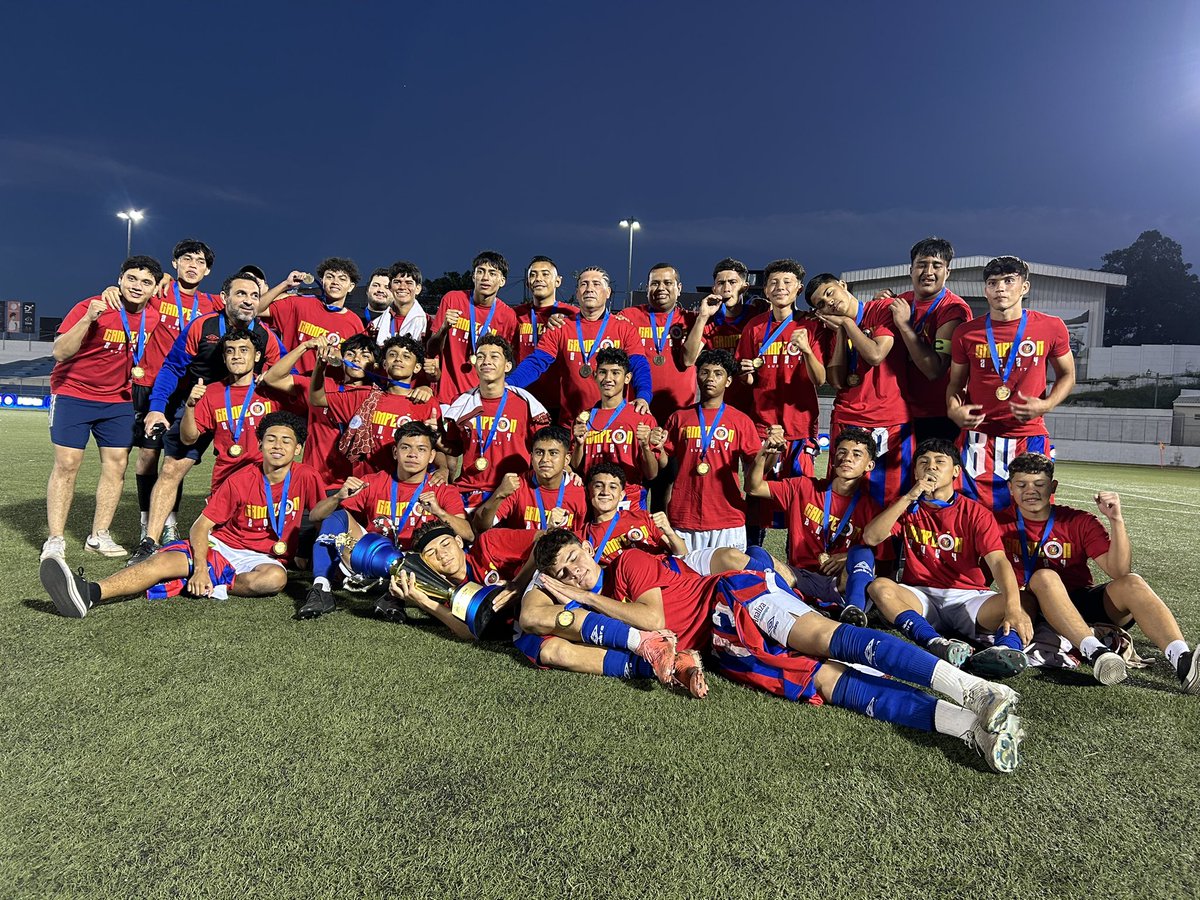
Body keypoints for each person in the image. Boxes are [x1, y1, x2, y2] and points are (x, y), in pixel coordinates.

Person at [524, 529, 1027, 773]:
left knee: (829, 637)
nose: (574, 573)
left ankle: (975, 690)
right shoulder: (597, 609)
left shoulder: (626, 564)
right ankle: (969, 727)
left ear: (588, 547)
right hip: (726, 649)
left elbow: (654, 620)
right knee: (831, 685)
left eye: (574, 559)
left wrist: (586, 597)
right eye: (564, 574)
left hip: (735, 599)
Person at [40, 412, 337, 617]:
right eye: (271, 439)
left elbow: (319, 515)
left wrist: (336, 499)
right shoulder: (241, 478)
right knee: (161, 562)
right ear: (259, 444)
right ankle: (90, 592)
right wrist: (200, 567)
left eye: (286, 441)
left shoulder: (307, 476)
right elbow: (201, 526)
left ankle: (209, 584)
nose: (278, 445)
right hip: (224, 547)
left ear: (298, 448)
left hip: (266, 558)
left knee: (274, 581)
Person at [999, 452, 1200, 691]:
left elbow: (1119, 571)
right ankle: (1097, 654)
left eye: (1039, 484)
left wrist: (1116, 520)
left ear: (1053, 486)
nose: (1030, 491)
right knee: (1045, 575)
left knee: (1132, 582)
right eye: (1022, 485)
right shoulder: (995, 522)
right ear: (1010, 488)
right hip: (1034, 606)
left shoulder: (1078, 520)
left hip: (1081, 601)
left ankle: (1183, 660)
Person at [129, 272, 282, 564]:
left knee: (253, 475)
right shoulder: (203, 326)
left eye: (253, 296)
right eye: (241, 294)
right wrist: (157, 407)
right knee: (172, 468)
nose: (248, 301)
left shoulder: (265, 336)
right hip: (200, 404)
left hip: (243, 410)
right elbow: (172, 367)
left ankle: (248, 540)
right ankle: (149, 541)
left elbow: (283, 368)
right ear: (224, 298)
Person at [863, 439, 1033, 679]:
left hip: (968, 597)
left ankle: (1005, 650)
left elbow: (998, 562)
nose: (931, 467)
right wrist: (909, 497)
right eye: (923, 462)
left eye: (939, 462)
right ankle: (936, 643)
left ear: (955, 472)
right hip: (921, 595)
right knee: (879, 587)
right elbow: (871, 537)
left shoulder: (975, 512)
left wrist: (1013, 607)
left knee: (1024, 600)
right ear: (915, 472)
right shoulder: (907, 507)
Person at [43, 256, 165, 561]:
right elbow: (59, 352)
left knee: (117, 466)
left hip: (118, 399)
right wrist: (88, 319)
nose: (138, 286)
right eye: (132, 279)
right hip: (74, 392)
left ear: (155, 288)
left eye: (146, 282)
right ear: (120, 279)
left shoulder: (155, 315)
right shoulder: (93, 306)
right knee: (68, 464)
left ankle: (99, 536)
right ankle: (56, 538)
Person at [102, 239, 221, 543]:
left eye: (200, 262)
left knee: (174, 460)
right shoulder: (159, 293)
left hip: (189, 391)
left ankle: (169, 523)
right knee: (145, 457)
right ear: (174, 264)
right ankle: (146, 521)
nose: (193, 265)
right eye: (187, 259)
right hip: (151, 385)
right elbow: (132, 297)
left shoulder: (211, 304)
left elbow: (248, 304)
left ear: (207, 270)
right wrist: (111, 291)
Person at [946, 256, 1076, 512]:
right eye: (993, 283)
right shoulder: (966, 332)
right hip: (979, 439)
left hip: (1028, 437)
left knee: (1031, 513)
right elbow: (956, 383)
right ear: (985, 290)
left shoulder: (1051, 327)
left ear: (1024, 287)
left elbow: (1068, 375)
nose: (1000, 288)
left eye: (1008, 281)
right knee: (971, 516)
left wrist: (1047, 404)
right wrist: (953, 409)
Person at [304, 421, 471, 618]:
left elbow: (467, 534)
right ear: (395, 452)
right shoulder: (372, 482)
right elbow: (315, 516)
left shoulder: (443, 490)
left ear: (432, 456)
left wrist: (440, 512)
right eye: (405, 447)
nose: (412, 454)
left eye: (421, 449)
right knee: (336, 515)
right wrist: (338, 497)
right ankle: (321, 589)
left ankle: (393, 597)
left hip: (418, 569)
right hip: (372, 560)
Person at [744, 426, 883, 626]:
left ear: (869, 465)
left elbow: (881, 555)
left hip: (841, 583)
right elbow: (754, 487)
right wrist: (766, 451)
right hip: (799, 576)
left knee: (862, 554)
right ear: (833, 459)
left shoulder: (873, 507)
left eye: (856, 454)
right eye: (842, 452)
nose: (847, 458)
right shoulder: (803, 487)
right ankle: (806, 605)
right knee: (755, 554)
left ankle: (853, 611)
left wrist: (847, 557)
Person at [804, 274, 912, 506]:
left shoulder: (881, 308)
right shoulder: (834, 329)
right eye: (820, 303)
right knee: (843, 497)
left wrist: (847, 324)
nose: (828, 302)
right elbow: (836, 381)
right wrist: (842, 332)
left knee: (890, 499)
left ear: (843, 285)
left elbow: (875, 355)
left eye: (830, 293)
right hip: (848, 418)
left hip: (889, 420)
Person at [509, 267, 652, 423]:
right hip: (569, 423)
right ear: (577, 293)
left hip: (613, 423)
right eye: (584, 284)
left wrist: (643, 396)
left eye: (596, 284)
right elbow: (536, 362)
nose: (589, 289)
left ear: (608, 292)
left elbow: (639, 365)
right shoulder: (561, 326)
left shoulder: (624, 328)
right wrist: (508, 386)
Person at [652, 349, 760, 552]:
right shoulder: (679, 418)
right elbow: (665, 463)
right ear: (697, 375)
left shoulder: (741, 421)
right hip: (684, 515)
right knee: (685, 579)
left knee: (728, 581)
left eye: (718, 374)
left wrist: (770, 453)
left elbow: (755, 466)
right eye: (705, 372)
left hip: (727, 517)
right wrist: (659, 449)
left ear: (728, 381)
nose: (710, 378)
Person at [733, 259, 826, 479]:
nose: (780, 287)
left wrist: (807, 351)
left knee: (798, 496)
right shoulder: (754, 326)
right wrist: (744, 372)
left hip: (800, 426)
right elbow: (749, 381)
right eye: (773, 282)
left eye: (787, 282)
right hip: (762, 425)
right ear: (765, 289)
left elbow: (819, 379)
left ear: (799, 288)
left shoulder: (811, 325)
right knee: (758, 494)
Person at [875, 237, 972, 444]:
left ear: (947, 272)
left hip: (937, 415)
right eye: (921, 265)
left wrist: (904, 325)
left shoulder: (953, 309)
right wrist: (877, 309)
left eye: (937, 265)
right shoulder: (901, 301)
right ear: (911, 270)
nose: (928, 272)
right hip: (896, 412)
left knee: (931, 475)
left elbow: (934, 370)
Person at [441, 334, 551, 512]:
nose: (486, 361)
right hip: (469, 490)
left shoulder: (526, 404)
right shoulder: (462, 402)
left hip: (512, 492)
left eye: (494, 356)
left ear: (507, 366)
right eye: (481, 356)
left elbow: (544, 447)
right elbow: (454, 448)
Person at [179, 327, 297, 488]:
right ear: (223, 357)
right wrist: (190, 406)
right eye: (230, 351)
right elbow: (188, 438)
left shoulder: (272, 389)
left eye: (243, 350)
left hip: (267, 479)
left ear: (257, 356)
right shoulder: (211, 392)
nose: (236, 356)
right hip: (226, 480)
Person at [259, 333, 381, 491]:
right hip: (314, 481)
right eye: (350, 354)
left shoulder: (378, 398)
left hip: (355, 485)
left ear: (376, 365)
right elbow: (273, 378)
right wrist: (305, 346)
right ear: (342, 361)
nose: (356, 359)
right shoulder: (322, 386)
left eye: (365, 356)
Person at [311, 334, 443, 478]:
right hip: (365, 485)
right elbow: (317, 398)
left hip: (404, 488)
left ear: (417, 367)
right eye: (392, 354)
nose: (398, 358)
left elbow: (443, 449)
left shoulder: (426, 402)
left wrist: (443, 468)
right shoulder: (365, 397)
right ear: (385, 364)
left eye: (406, 356)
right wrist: (320, 365)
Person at [383, 521, 517, 640]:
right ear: (425, 564)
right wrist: (423, 601)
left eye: (446, 544)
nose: (441, 554)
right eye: (430, 553)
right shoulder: (442, 594)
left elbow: (538, 540)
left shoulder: (489, 544)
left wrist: (519, 584)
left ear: (459, 541)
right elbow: (470, 632)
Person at [570, 348, 659, 510]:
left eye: (615, 373)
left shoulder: (642, 417)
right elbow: (576, 466)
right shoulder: (583, 418)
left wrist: (645, 447)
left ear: (627, 378)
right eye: (603, 372)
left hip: (630, 503)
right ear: (595, 376)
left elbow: (652, 474)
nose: (608, 378)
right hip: (592, 501)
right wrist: (579, 444)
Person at [427, 250, 519, 405]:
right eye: (480, 271)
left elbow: (507, 360)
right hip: (446, 396)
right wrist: (444, 328)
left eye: (492, 273)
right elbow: (431, 349)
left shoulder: (508, 316)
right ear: (473, 276)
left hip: (479, 399)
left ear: (502, 281)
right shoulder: (453, 299)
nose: (485, 278)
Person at [682, 257, 765, 415]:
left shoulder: (758, 317)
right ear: (714, 289)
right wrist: (702, 317)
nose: (726, 288)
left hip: (754, 408)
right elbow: (688, 360)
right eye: (721, 283)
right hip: (719, 407)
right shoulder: (708, 320)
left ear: (744, 287)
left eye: (733, 282)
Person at [257, 258, 367, 374]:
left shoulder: (355, 323)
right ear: (322, 280)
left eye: (342, 279)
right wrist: (286, 284)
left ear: (351, 286)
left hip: (327, 389)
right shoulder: (298, 304)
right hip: (289, 383)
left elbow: (358, 361)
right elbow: (256, 310)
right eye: (330, 277)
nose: (335, 282)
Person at [473, 425, 587, 533]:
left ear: (566, 459)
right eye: (539, 452)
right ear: (531, 457)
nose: (545, 459)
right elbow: (480, 526)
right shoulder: (517, 485)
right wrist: (499, 494)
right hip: (520, 552)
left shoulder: (579, 491)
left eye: (553, 453)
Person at [620, 263, 696, 423]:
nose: (661, 288)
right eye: (655, 283)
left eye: (668, 283)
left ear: (679, 288)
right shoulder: (628, 316)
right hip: (638, 411)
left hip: (681, 414)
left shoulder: (692, 320)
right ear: (647, 288)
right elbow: (596, 324)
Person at [512, 256, 571, 364]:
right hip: (524, 379)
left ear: (557, 281)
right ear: (527, 283)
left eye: (545, 274)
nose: (538, 279)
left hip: (557, 381)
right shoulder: (515, 314)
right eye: (533, 275)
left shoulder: (571, 314)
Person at [368, 260, 428, 344]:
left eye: (409, 283)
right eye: (397, 282)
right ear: (390, 287)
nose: (402, 287)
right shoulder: (374, 326)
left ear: (418, 289)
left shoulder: (428, 324)